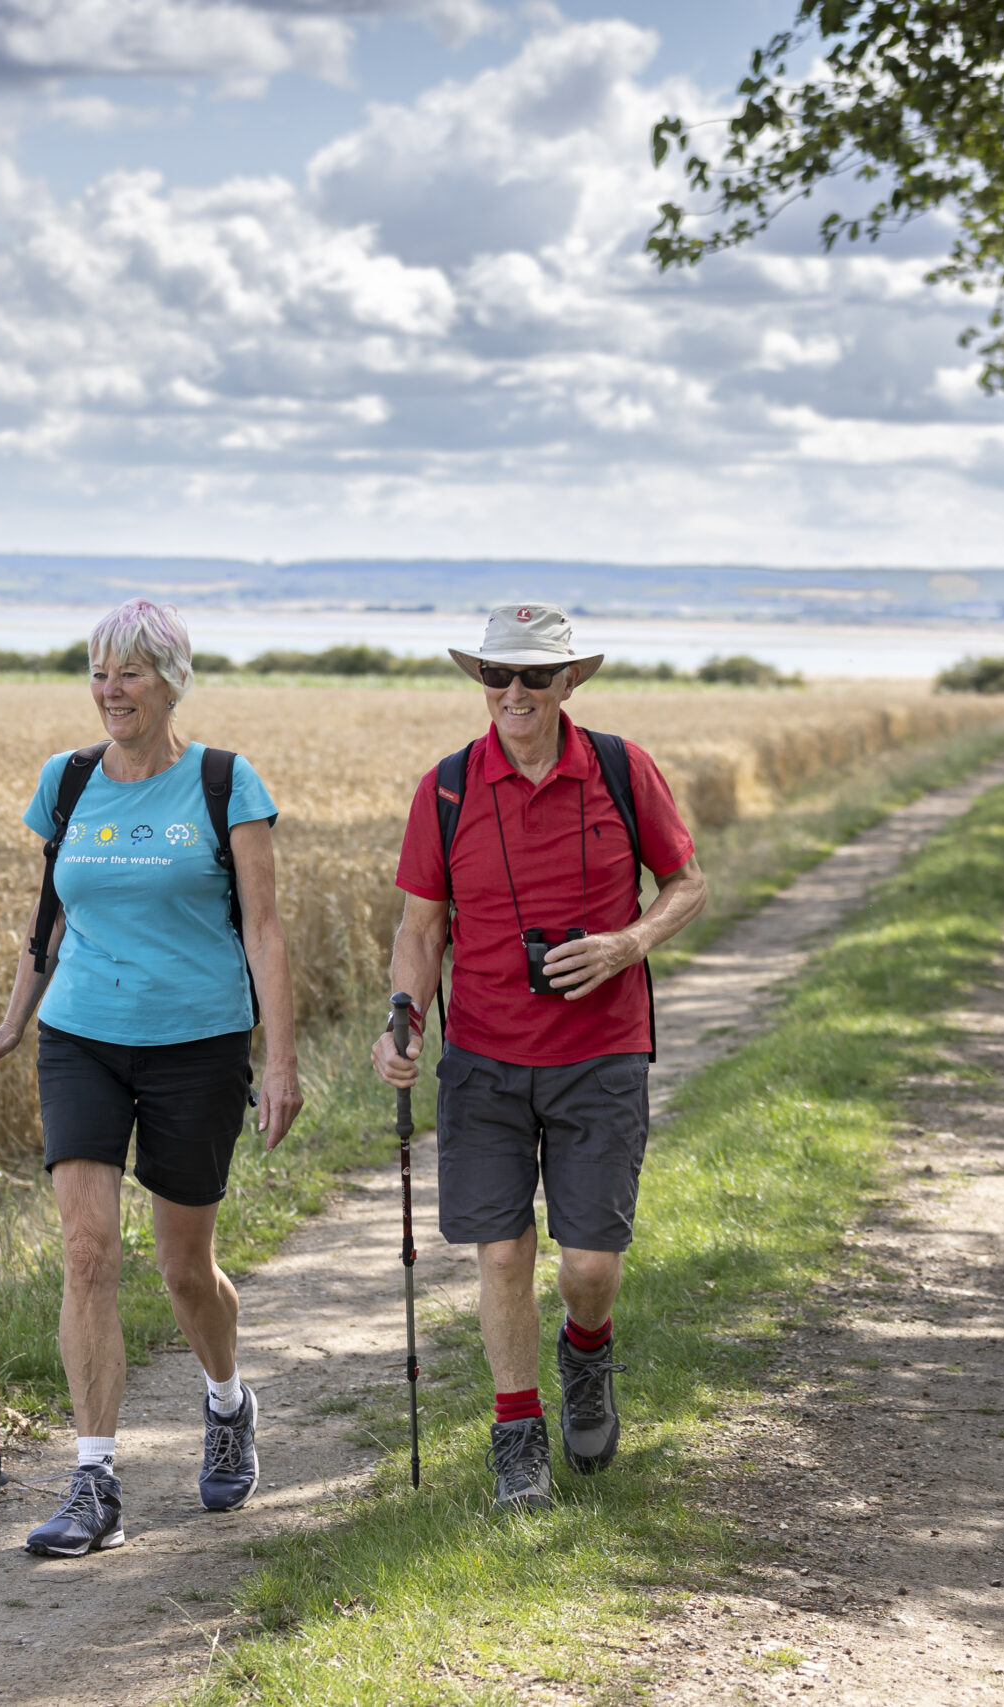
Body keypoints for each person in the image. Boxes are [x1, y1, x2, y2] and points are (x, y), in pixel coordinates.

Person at [0, 598, 303, 1558]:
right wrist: (11, 1026)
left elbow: (265, 930)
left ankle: (228, 1399)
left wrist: (278, 1061)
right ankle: (94, 1479)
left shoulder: (225, 784)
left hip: (196, 1043)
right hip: (83, 1038)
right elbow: (49, 921)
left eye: (132, 672)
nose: (112, 690)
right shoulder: (66, 783)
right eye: (99, 672)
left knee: (184, 1269)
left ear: (171, 680)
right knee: (86, 1251)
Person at [370, 604, 707, 1512]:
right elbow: (420, 927)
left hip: (601, 1053)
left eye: (532, 676)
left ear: (568, 682)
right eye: (496, 676)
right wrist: (404, 1014)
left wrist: (626, 945)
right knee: (502, 1256)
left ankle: (587, 1354)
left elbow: (687, 884)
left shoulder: (620, 769)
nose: (512, 693)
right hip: (482, 1057)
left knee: (589, 1267)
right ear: (481, 682)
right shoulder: (445, 789)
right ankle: (516, 1433)